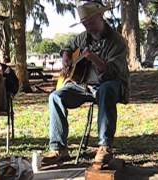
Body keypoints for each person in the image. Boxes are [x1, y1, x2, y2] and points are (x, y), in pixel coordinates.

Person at [42, 0, 130, 165]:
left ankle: (105, 147)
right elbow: (68, 46)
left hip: (111, 84)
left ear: (100, 15)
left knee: (105, 90)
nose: (86, 26)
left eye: (89, 21)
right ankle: (58, 149)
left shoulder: (116, 41)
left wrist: (94, 58)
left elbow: (112, 72)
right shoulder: (83, 37)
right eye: (84, 23)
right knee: (55, 97)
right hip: (84, 86)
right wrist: (66, 55)